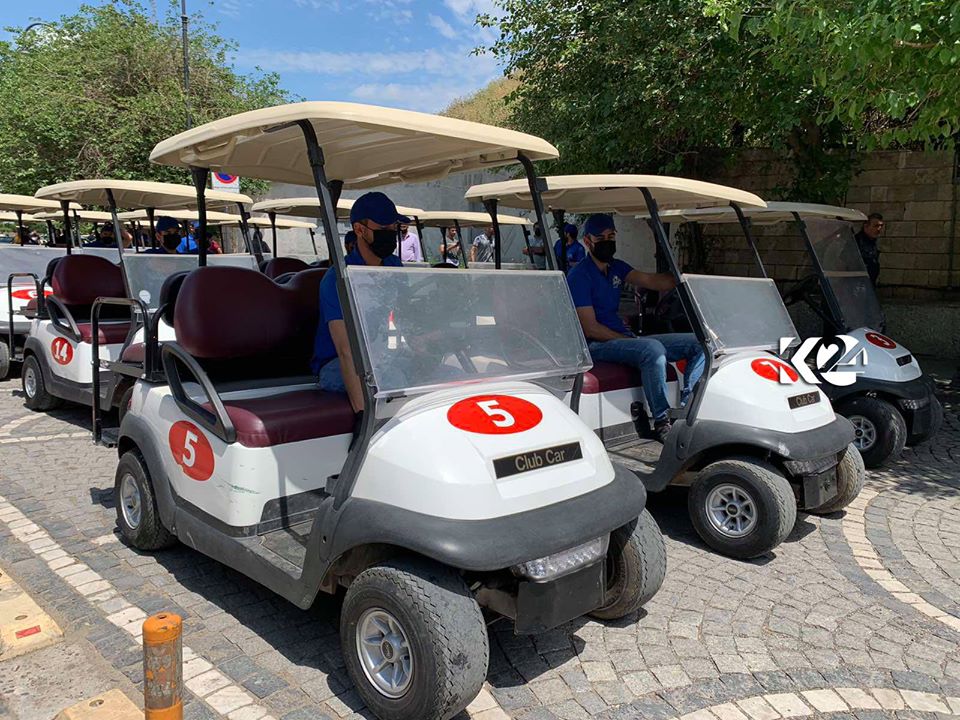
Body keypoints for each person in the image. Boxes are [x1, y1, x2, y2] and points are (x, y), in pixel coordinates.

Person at [567, 213, 705, 443]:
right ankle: (662, 420)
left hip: (622, 338)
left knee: (700, 342)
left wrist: (684, 277)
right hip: (596, 345)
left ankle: (686, 408)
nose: (607, 242)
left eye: (611, 236)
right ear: (588, 242)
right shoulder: (579, 276)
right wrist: (628, 340)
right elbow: (591, 328)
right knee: (652, 349)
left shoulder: (616, 267)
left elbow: (652, 281)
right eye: (600, 238)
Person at [312, 192, 406, 412]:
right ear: (359, 230)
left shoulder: (394, 267)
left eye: (393, 228)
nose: (390, 234)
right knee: (394, 378)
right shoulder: (338, 279)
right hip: (335, 364)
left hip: (379, 358)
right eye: (382, 229)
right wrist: (363, 414)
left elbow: (407, 312)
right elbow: (345, 350)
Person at [854, 212, 883, 285]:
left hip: (869, 283)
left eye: (881, 226)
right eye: (876, 226)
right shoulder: (856, 241)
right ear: (866, 226)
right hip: (857, 283)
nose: (879, 229)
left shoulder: (872, 242)